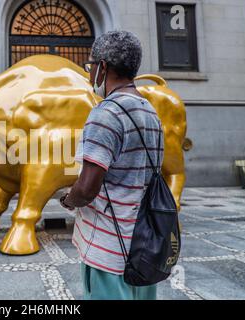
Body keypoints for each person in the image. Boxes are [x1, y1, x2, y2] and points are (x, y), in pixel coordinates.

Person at [59, 31, 164, 300]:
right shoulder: (150, 112)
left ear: (102, 67)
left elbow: (87, 188)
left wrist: (68, 200)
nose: (90, 74)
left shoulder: (105, 114)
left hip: (109, 248)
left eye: (91, 66)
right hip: (144, 246)